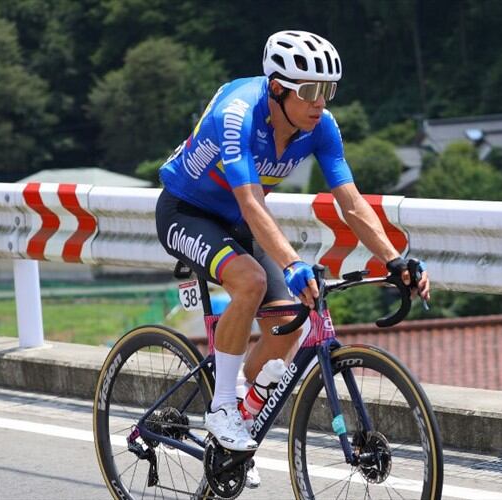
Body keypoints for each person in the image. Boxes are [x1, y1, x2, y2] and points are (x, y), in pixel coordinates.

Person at [155, 30, 430, 455]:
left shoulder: (321, 126)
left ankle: (238, 423)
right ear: (278, 88)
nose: (321, 102)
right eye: (312, 91)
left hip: (243, 219)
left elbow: (352, 203)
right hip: (188, 212)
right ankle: (221, 407)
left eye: (329, 90)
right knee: (249, 281)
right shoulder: (239, 114)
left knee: (291, 322)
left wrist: (395, 260)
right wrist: (290, 263)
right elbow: (248, 201)